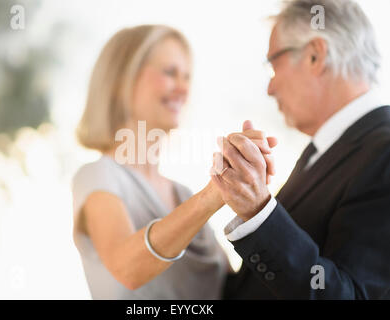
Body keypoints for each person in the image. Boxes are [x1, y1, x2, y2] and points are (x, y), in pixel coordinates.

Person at [71, 25, 277, 299]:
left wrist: (252, 186)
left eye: (187, 77)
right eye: (169, 73)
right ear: (122, 79)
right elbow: (127, 270)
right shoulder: (97, 175)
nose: (183, 88)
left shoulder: (182, 195)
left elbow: (236, 291)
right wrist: (216, 192)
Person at [211, 0, 390, 299]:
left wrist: (257, 210)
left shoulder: (384, 152)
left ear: (315, 56)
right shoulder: (322, 149)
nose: (270, 88)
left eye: (273, 64)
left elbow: (352, 295)